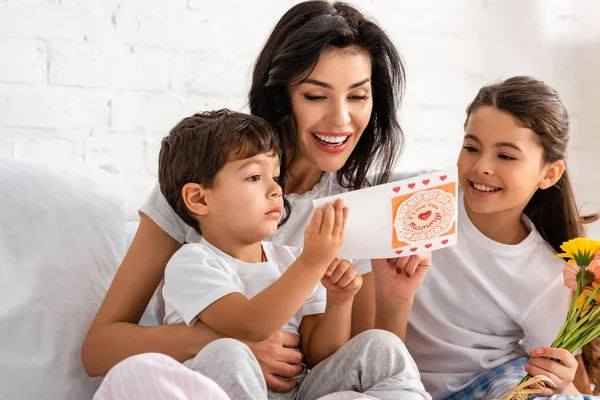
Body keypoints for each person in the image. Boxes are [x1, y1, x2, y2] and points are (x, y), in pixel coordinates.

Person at [82, 1, 431, 393]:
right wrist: (226, 341)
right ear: (282, 98)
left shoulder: (353, 204)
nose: (340, 119)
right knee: (228, 359)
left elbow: (354, 360)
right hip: (220, 374)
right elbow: (99, 350)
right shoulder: (206, 176)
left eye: (358, 96)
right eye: (316, 96)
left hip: (307, 387)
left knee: (381, 351)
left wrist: (396, 299)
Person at [155, 109, 429, 400]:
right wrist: (312, 261)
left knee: (380, 345)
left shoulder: (290, 260)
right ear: (199, 198)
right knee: (228, 353)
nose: (276, 190)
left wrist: (339, 300)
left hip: (300, 392)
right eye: (254, 177)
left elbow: (318, 355)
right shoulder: (192, 263)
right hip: (234, 387)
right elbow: (251, 324)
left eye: (275, 176)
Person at [404, 76, 600, 400]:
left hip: (486, 385)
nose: (481, 167)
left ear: (548, 174)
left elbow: (565, 372)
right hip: (399, 378)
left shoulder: (545, 275)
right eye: (471, 148)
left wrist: (561, 381)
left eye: (506, 156)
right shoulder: (425, 200)